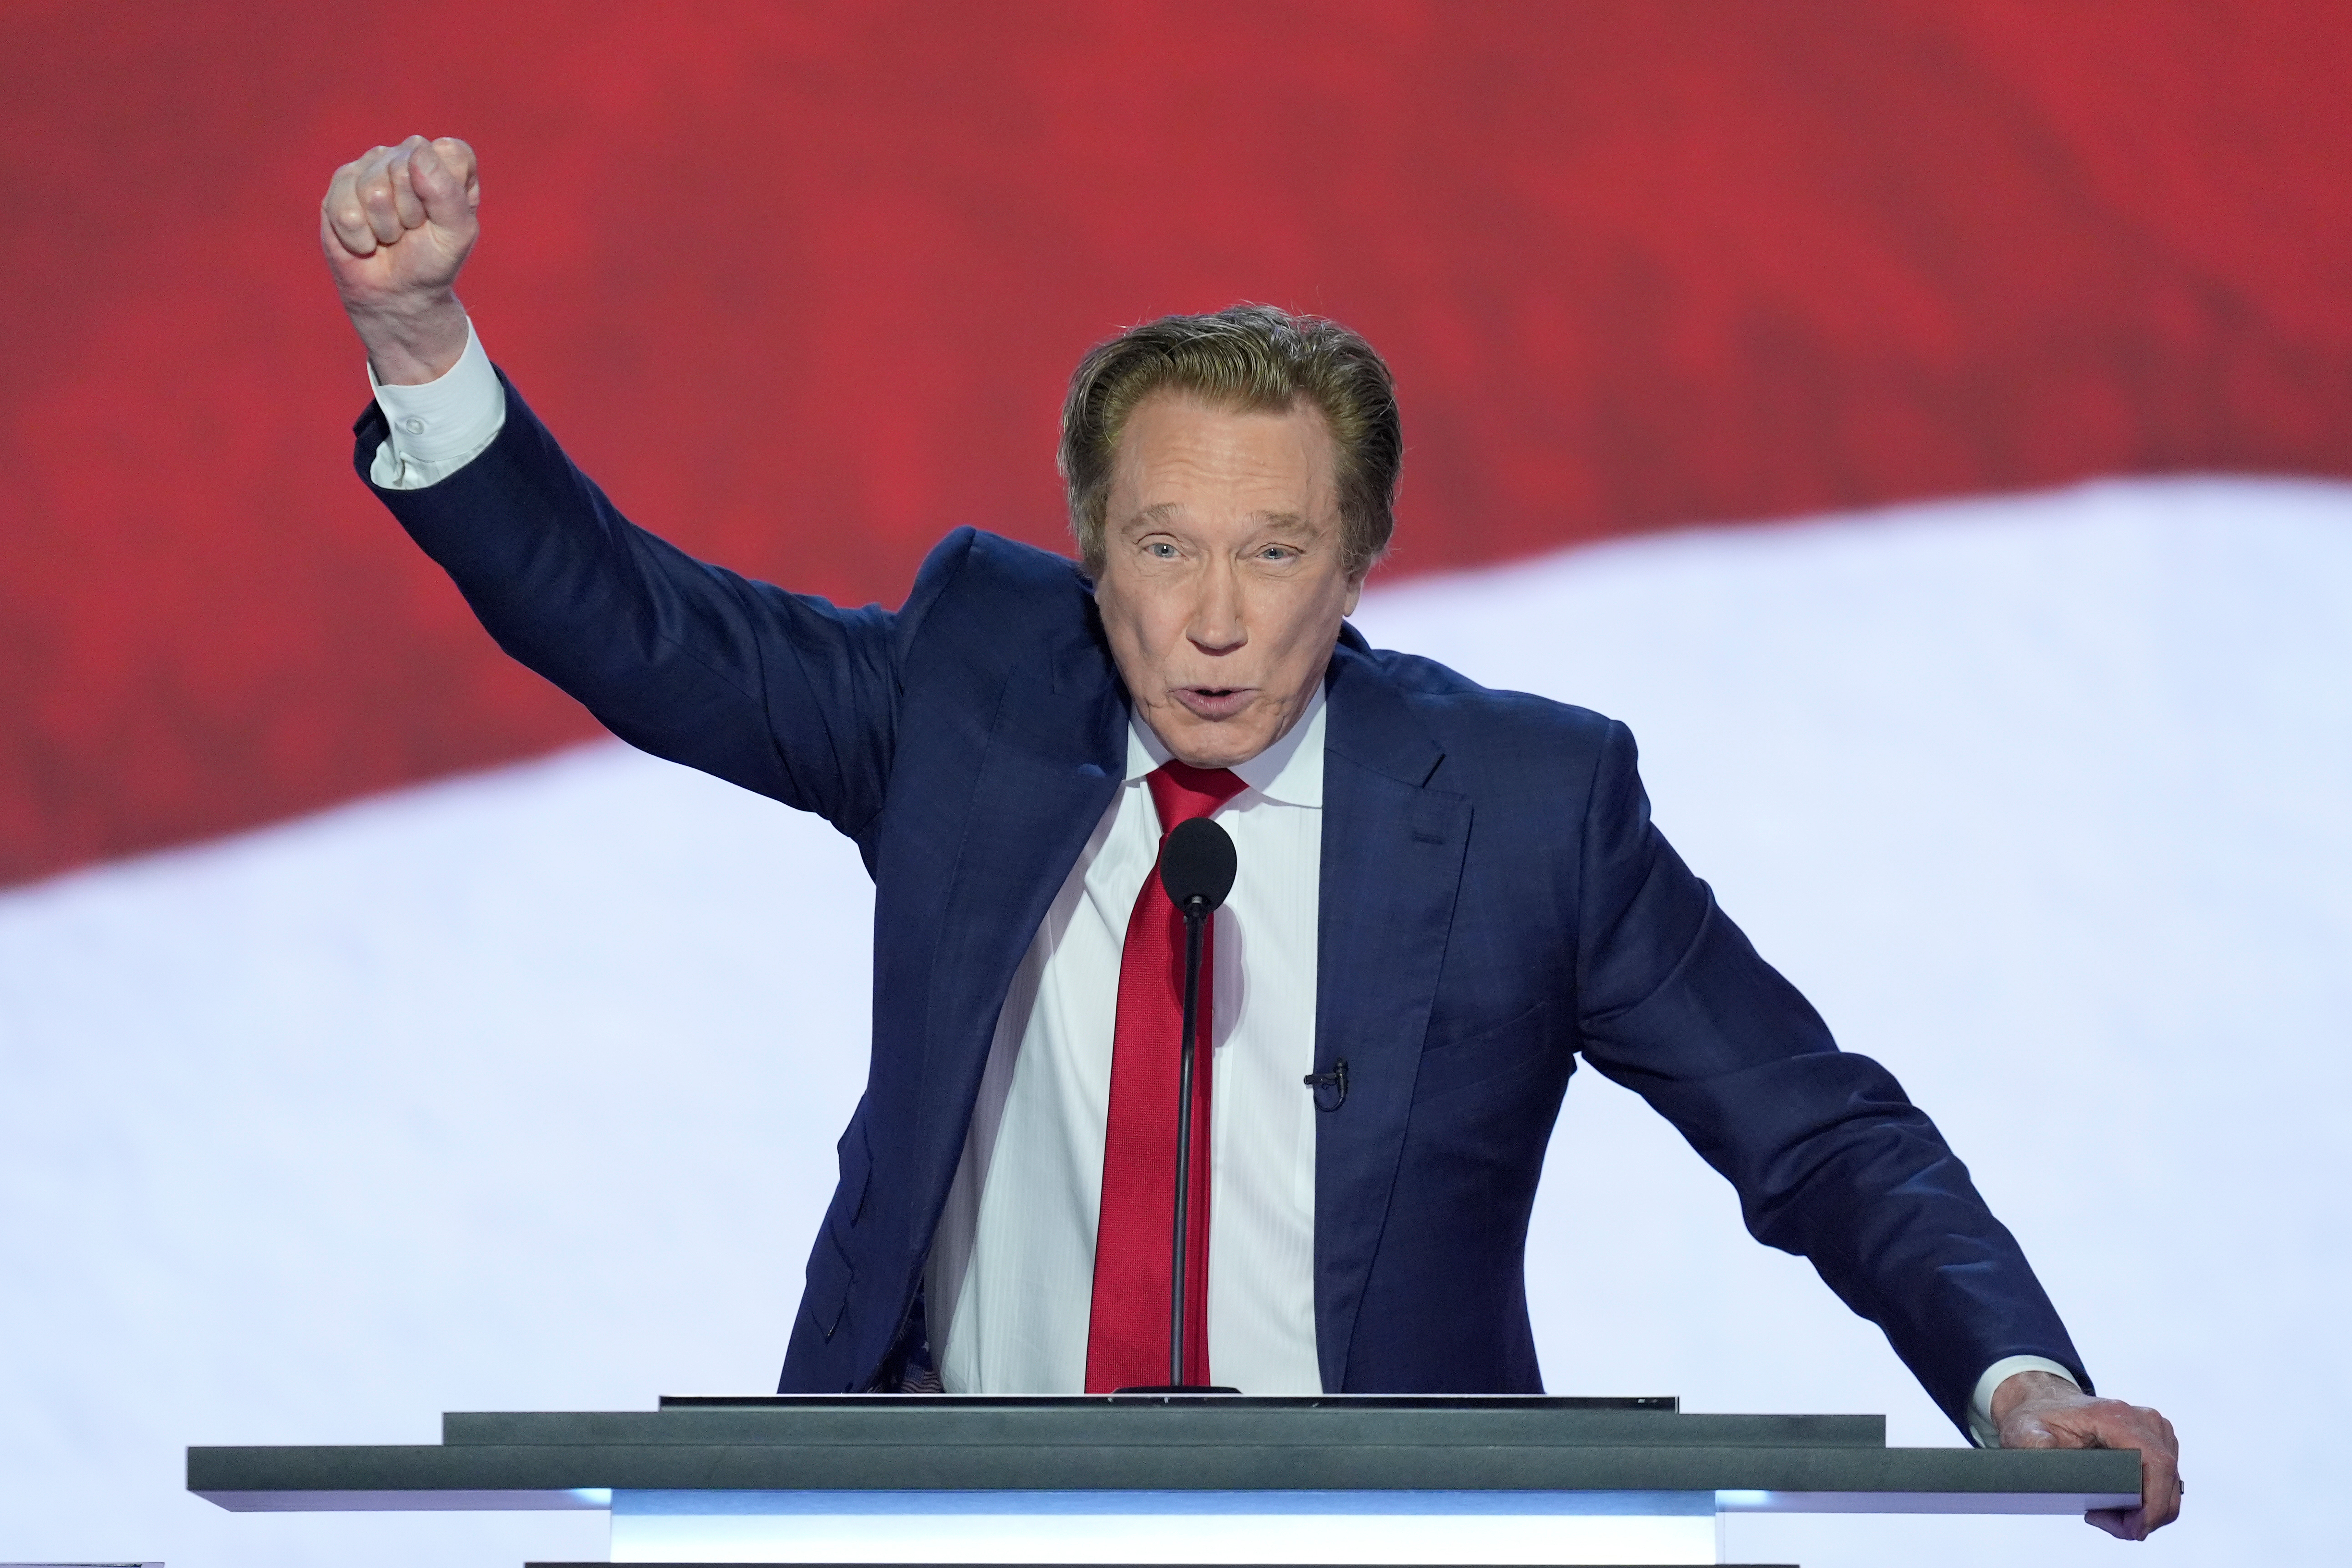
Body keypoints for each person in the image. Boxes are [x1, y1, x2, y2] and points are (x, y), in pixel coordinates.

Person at [320, 135, 2180, 1537]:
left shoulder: (1530, 806)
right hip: (954, 1525)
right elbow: (640, 630)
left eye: (1275, 553)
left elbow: (1818, 1127)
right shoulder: (968, 702)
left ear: (1362, 565)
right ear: (1087, 549)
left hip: (1386, 1540)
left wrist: (2014, 1378)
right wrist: (421, 342)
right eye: (1163, 549)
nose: (1215, 623)